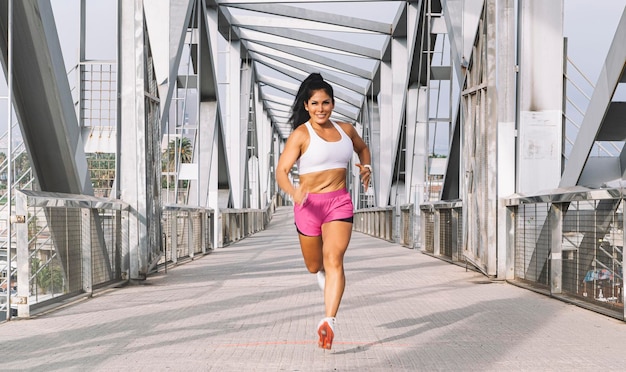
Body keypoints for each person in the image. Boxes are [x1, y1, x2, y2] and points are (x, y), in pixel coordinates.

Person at [276, 73, 372, 350]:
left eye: (326, 102)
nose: (321, 108)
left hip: (338, 203)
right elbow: (281, 172)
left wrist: (367, 167)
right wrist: (294, 193)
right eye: (315, 103)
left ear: (333, 103)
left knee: (335, 259)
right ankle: (321, 276)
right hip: (308, 206)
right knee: (314, 265)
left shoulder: (346, 130)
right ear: (306, 106)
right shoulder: (301, 134)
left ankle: (328, 321)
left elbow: (363, 150)